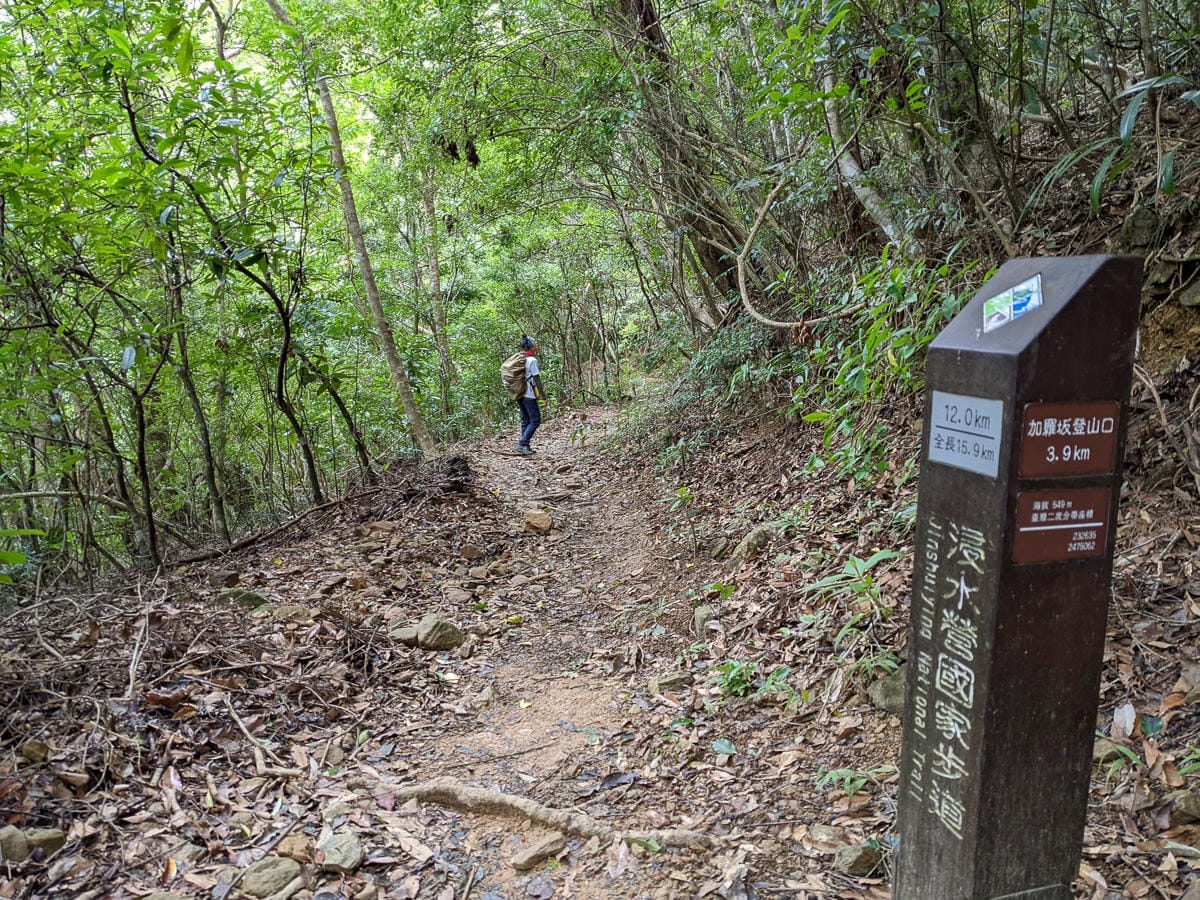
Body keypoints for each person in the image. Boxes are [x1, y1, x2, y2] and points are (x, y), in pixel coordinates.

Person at [516, 335, 544, 455]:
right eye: (535, 344)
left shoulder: (521, 359)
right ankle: (522, 444)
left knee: (526, 420)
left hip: (519, 393)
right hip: (529, 394)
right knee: (535, 420)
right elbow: (536, 379)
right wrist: (543, 396)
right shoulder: (532, 360)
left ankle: (525, 447)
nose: (537, 346)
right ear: (532, 346)